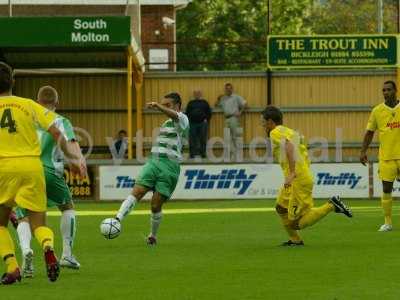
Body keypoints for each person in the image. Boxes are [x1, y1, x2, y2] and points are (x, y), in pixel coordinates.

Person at [0, 62, 84, 284]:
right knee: (39, 223)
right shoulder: (28, 105)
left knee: (2, 225)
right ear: (13, 82)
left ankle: (12, 267)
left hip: (3, 169)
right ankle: (48, 246)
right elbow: (57, 131)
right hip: (32, 167)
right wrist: (73, 158)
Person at [262, 106, 352, 246]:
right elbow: (303, 152)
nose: (262, 125)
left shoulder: (275, 132)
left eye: (263, 122)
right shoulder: (292, 132)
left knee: (295, 223)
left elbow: (289, 147)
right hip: (298, 178)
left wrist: (292, 173)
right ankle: (295, 240)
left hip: (298, 180)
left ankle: (331, 205)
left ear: (270, 121)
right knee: (280, 207)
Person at [111, 92, 189, 245]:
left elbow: (174, 116)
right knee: (138, 191)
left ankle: (153, 235)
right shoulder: (166, 123)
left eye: (168, 105)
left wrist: (158, 106)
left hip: (170, 168)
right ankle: (116, 220)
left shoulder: (183, 119)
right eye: (163, 104)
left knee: (155, 204)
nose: (164, 108)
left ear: (178, 106)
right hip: (154, 162)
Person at [360, 80, 400, 232]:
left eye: (388, 90)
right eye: (383, 90)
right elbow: (370, 132)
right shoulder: (377, 111)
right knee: (386, 188)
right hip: (386, 156)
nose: (385, 93)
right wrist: (363, 151)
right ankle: (388, 222)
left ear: (395, 91)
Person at [215, 83, 246, 159]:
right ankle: (232, 154)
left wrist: (240, 112)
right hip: (226, 119)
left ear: (232, 89)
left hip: (233, 118)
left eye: (229, 89)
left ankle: (238, 155)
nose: (228, 90)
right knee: (227, 137)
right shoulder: (223, 98)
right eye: (226, 89)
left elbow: (245, 104)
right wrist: (218, 99)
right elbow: (216, 105)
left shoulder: (236, 97)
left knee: (235, 137)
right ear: (225, 90)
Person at [186, 90, 211, 158]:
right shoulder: (190, 103)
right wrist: (188, 121)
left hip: (202, 123)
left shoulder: (204, 102)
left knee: (203, 139)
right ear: (194, 95)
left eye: (198, 93)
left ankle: (203, 154)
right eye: (195, 93)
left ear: (200, 94)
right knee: (192, 139)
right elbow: (187, 112)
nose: (197, 95)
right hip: (192, 123)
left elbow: (209, 112)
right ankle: (192, 154)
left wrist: (207, 120)